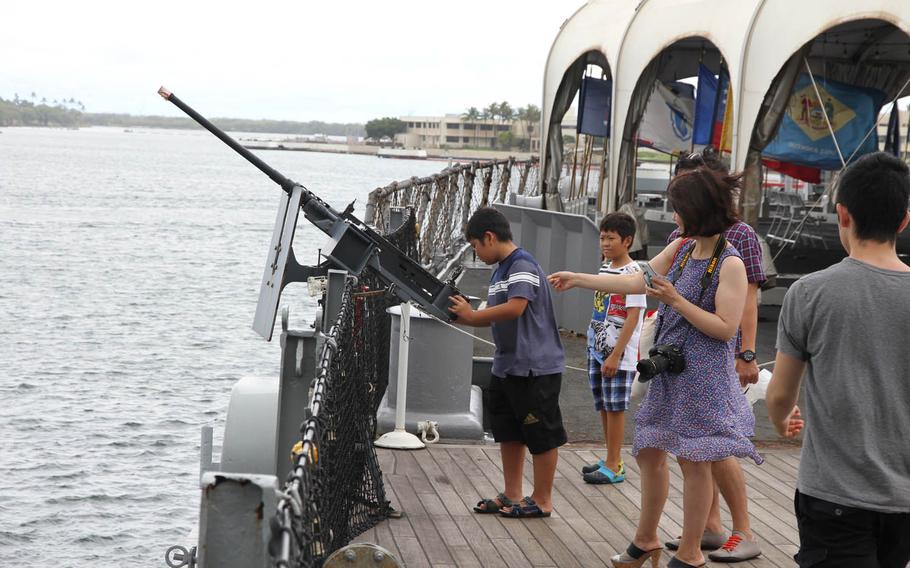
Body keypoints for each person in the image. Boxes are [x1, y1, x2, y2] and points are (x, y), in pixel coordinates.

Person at [549, 168, 761, 568]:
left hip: (703, 376)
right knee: (648, 450)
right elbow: (636, 279)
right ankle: (646, 539)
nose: (673, 214)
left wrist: (676, 300)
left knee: (694, 460)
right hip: (670, 371)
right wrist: (581, 279)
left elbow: (725, 329)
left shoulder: (730, 262)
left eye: (677, 207)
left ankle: (691, 552)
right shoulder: (681, 248)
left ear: (695, 209)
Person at [767, 152, 910, 567]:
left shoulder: (810, 293)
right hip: (903, 500)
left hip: (833, 495)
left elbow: (780, 395)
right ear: (903, 220)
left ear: (842, 214)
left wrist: (781, 420)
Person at [664, 148, 765, 561]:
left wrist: (746, 352)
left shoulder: (738, 235)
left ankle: (743, 530)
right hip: (683, 358)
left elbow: (750, 300)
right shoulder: (682, 238)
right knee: (695, 449)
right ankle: (710, 527)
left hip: (717, 356)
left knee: (718, 446)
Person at [449, 207, 567, 518]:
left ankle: (542, 499)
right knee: (509, 430)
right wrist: (466, 318)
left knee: (540, 433)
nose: (476, 253)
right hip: (507, 365)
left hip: (533, 367)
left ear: (489, 237)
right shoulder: (500, 269)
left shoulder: (522, 264)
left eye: (476, 246)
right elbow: (498, 313)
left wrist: (473, 316)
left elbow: (516, 307)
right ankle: (513, 493)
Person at [580, 212, 646, 484]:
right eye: (602, 237)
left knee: (616, 408)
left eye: (611, 238)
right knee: (604, 407)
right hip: (597, 347)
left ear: (627, 241)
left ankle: (615, 464)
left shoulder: (634, 274)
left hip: (618, 354)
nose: (605, 243)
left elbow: (633, 315)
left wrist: (617, 355)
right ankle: (611, 457)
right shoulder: (605, 269)